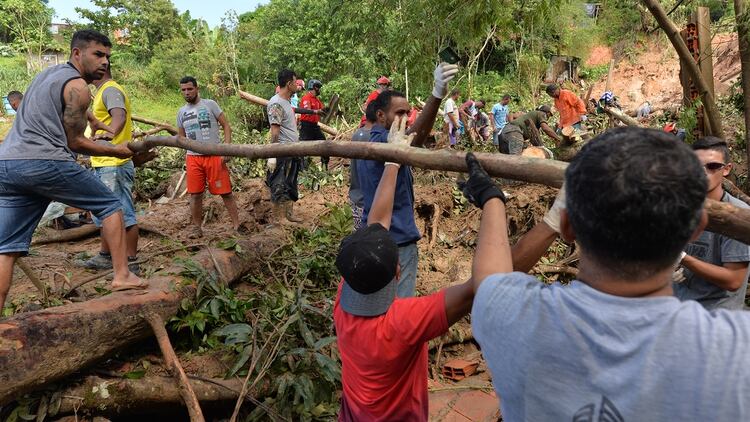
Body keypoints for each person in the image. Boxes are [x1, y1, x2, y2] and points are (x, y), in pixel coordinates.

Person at [466, 126, 750, 420]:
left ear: (568, 227)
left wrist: (492, 200)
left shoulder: (513, 317)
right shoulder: (736, 351)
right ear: (698, 227)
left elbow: (490, 276)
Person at [334, 115, 479, 421]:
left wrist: (392, 162)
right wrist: (494, 202)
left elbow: (376, 225)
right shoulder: (404, 322)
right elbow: (478, 287)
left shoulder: (343, 304)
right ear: (399, 270)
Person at [0, 29, 144, 310]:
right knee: (111, 205)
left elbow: (69, 106)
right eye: (98, 54)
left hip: (7, 164)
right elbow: (75, 142)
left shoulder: (47, 76)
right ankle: (122, 274)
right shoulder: (79, 87)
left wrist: (98, 125)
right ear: (77, 53)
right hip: (44, 162)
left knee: (6, 249)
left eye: (107, 56)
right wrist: (119, 150)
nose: (104, 62)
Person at [355, 62, 458, 298]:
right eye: (399, 113)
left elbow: (414, 137)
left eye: (407, 112)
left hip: (375, 238)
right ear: (381, 116)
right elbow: (418, 138)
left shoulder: (372, 143)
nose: (406, 117)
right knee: (398, 311)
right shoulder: (385, 145)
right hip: (396, 241)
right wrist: (436, 95)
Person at [76, 63, 140, 273]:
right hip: (104, 163)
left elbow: (119, 115)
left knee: (123, 213)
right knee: (106, 211)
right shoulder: (104, 91)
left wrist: (111, 132)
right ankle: (105, 256)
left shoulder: (111, 90)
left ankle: (131, 261)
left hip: (114, 164)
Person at [673, 136, 750, 310]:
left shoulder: (738, 216)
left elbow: (733, 280)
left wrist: (683, 258)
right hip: (678, 304)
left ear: (726, 169)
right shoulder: (681, 205)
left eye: (712, 166)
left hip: (716, 313)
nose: (703, 172)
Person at [177, 76, 240, 238]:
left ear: (197, 89)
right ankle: (197, 228)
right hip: (193, 159)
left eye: (190, 89)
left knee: (225, 192)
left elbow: (226, 126)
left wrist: (226, 149)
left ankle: (237, 225)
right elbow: (181, 138)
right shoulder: (181, 112)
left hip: (214, 155)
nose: (186, 93)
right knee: (195, 194)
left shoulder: (210, 105)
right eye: (183, 90)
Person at [266, 69, 305, 224]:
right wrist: (272, 154)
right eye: (295, 82)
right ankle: (278, 219)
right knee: (278, 184)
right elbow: (275, 132)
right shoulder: (276, 103)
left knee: (290, 183)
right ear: (289, 84)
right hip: (282, 151)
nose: (297, 84)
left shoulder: (286, 102)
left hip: (292, 150)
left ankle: (288, 215)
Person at [349, 101, 377, 231]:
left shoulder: (356, 134)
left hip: (356, 197)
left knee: (360, 239)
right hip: (370, 201)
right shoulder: (375, 137)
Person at [298, 79, 328, 169]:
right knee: (304, 148)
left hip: (314, 126)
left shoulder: (317, 100)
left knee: (324, 142)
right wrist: (316, 112)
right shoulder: (306, 98)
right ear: (314, 87)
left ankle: (325, 165)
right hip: (306, 126)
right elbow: (307, 111)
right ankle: (303, 170)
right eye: (318, 88)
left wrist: (332, 111)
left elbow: (323, 111)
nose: (319, 90)